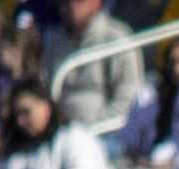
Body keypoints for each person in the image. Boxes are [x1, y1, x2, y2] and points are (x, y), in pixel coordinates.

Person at [5, 77, 129, 169]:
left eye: (26, 112)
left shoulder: (75, 137)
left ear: (46, 106)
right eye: (16, 115)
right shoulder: (24, 151)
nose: (20, 121)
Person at [38, 0, 142, 131]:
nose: (72, 6)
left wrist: (93, 131)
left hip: (106, 135)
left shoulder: (116, 37)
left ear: (97, 2)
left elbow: (128, 98)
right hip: (60, 135)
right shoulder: (52, 40)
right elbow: (43, 92)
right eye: (65, 2)